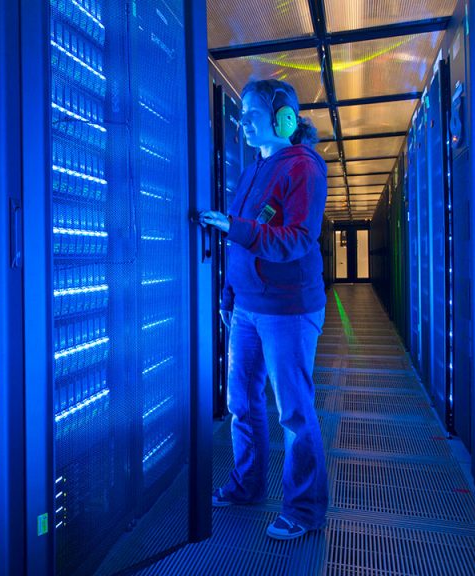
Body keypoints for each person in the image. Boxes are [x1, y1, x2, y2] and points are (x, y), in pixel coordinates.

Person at [198, 78, 328, 541]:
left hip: (288, 310)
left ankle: (305, 508)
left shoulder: (305, 167)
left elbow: (296, 240)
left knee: (293, 411)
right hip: (249, 309)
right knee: (242, 403)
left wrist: (236, 228)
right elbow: (242, 242)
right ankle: (248, 485)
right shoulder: (255, 167)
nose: (243, 123)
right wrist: (230, 297)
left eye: (251, 115)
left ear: (284, 119)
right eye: (242, 115)